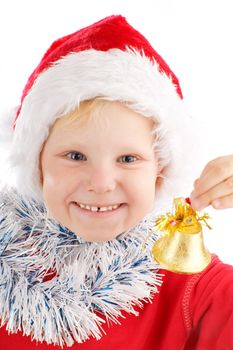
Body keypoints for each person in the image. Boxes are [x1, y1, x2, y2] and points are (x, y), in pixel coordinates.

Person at [0, 15, 232, 350]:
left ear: (160, 170)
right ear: (37, 163)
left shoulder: (193, 287)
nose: (101, 183)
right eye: (75, 156)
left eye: (127, 159)